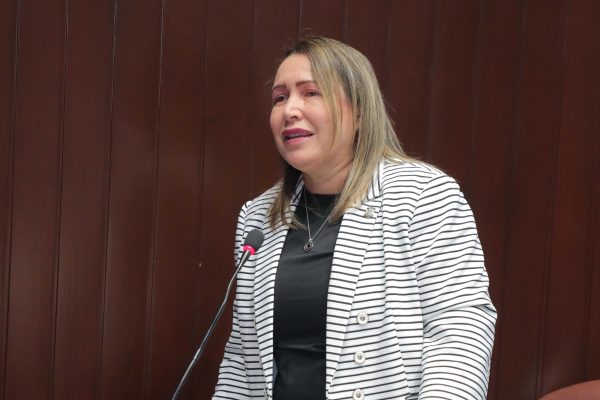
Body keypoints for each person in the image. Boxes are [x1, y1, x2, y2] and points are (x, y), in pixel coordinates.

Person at [213, 36, 496, 400]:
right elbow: (243, 359)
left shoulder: (422, 194)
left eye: (310, 93)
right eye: (280, 98)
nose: (289, 110)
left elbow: (459, 330)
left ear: (360, 111)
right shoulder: (258, 217)